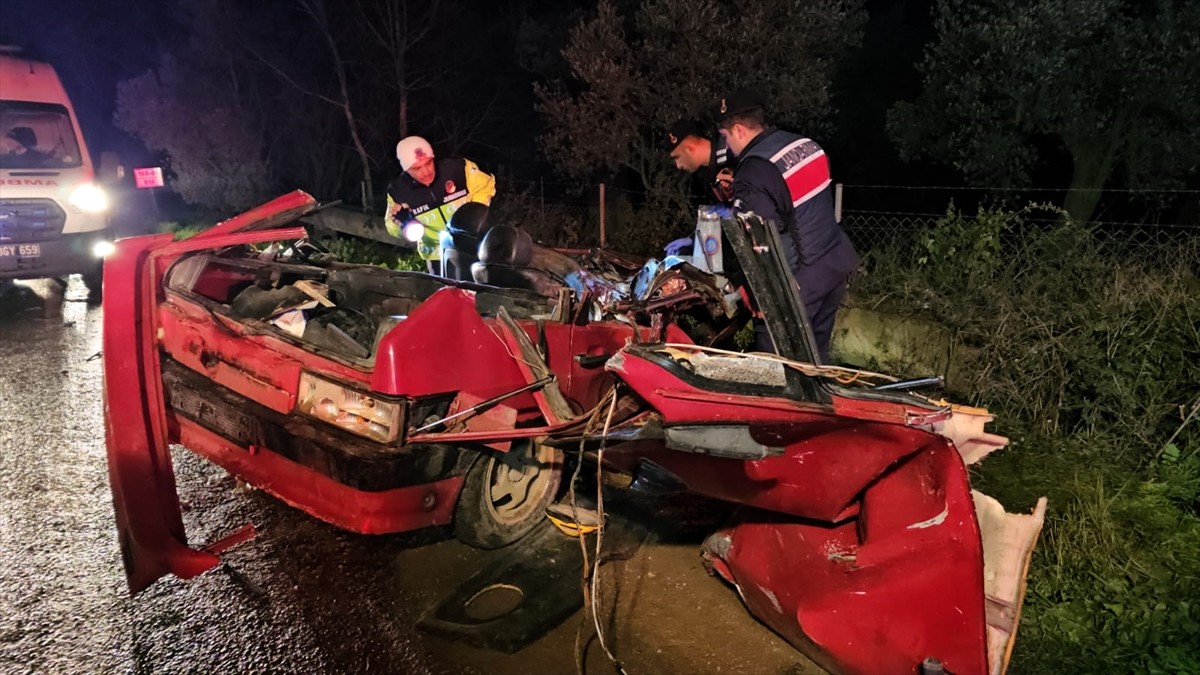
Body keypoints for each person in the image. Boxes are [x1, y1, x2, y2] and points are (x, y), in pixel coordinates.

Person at [711, 90, 859, 364]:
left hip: (799, 282)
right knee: (817, 359)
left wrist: (761, 292)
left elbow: (762, 241)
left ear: (739, 130)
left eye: (726, 137)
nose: (727, 147)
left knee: (776, 367)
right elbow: (802, 207)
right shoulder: (805, 144)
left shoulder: (753, 170)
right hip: (836, 260)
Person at [385, 135, 496, 274]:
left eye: (428, 163)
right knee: (447, 294)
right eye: (417, 168)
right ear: (406, 170)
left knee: (482, 292)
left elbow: (485, 185)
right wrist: (401, 223)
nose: (426, 172)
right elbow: (391, 226)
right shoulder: (398, 192)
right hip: (436, 255)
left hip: (474, 245)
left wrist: (473, 217)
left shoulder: (459, 169)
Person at [666, 117, 734, 206]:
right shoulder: (707, 175)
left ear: (690, 149)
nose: (678, 166)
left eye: (677, 157)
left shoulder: (732, 149)